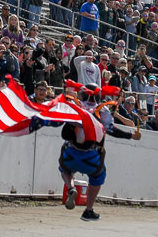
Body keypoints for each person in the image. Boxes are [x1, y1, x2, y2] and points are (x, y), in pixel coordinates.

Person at [29, 83, 140, 221]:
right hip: (91, 158)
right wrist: (131, 136)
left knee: (64, 170)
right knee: (98, 177)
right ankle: (88, 210)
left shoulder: (74, 106)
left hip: (70, 154)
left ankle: (70, 186)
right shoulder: (102, 109)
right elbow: (112, 130)